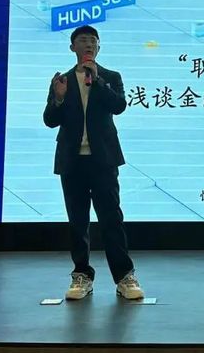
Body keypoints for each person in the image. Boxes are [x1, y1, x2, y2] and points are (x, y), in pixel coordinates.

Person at [43, 24, 144, 301]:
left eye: (93, 41)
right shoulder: (61, 80)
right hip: (72, 161)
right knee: (78, 221)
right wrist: (58, 99)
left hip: (103, 160)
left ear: (98, 47)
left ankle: (124, 277)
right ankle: (81, 275)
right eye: (83, 40)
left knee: (111, 219)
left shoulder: (110, 77)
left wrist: (97, 81)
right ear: (72, 47)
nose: (88, 44)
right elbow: (50, 120)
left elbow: (119, 106)